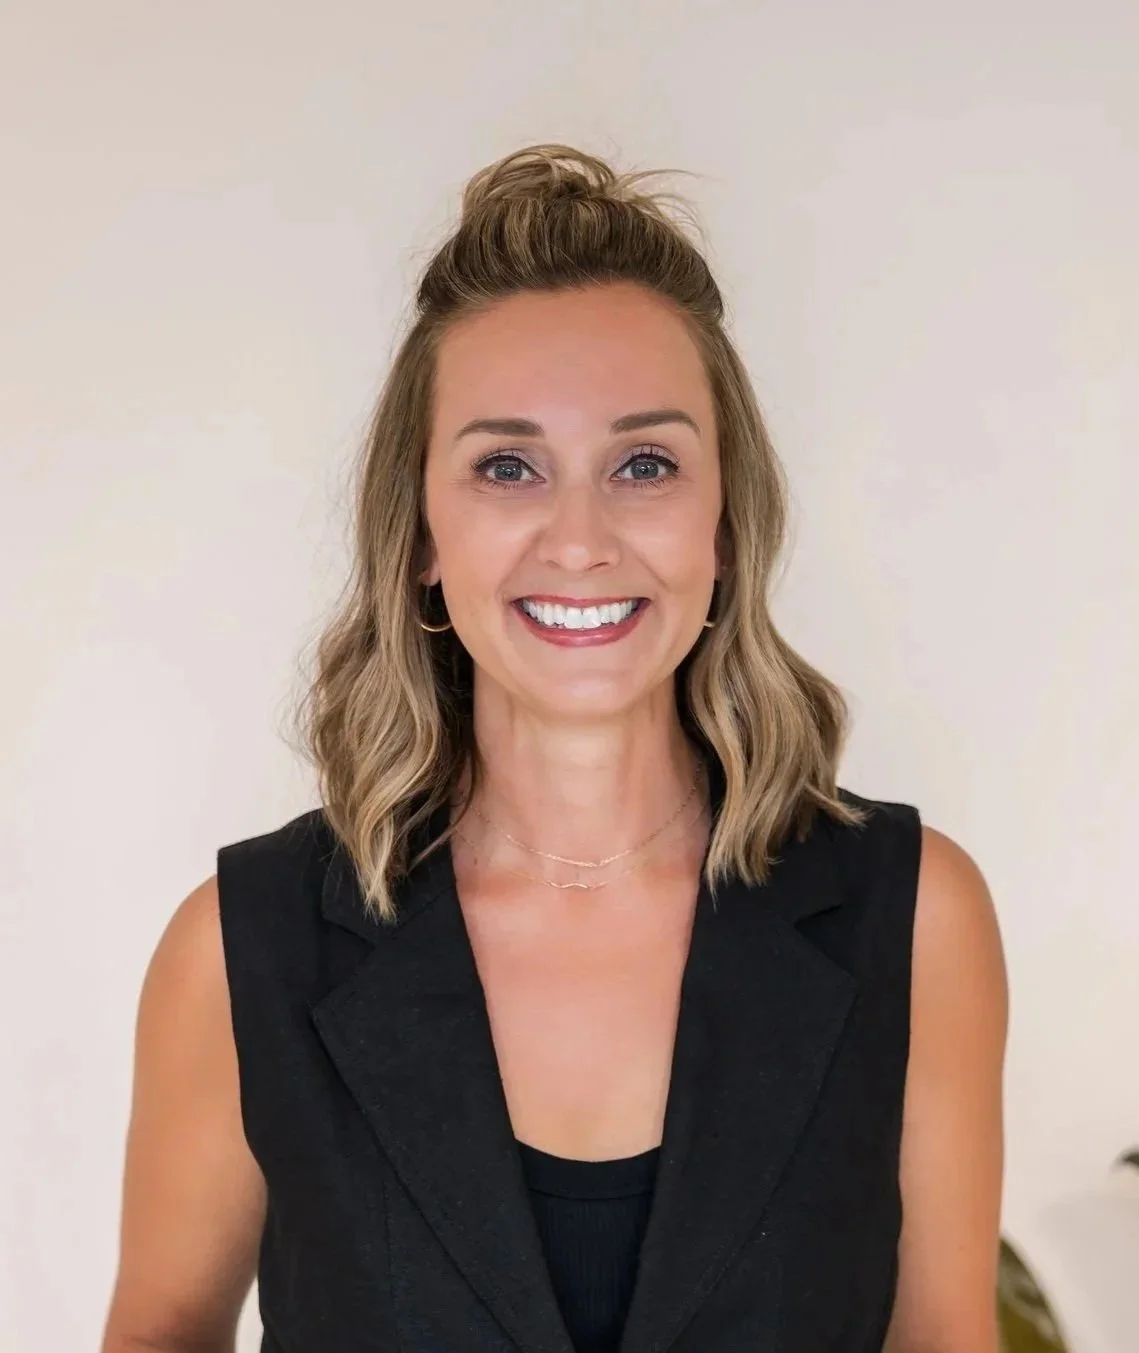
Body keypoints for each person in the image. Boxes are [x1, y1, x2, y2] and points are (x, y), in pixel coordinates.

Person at [100, 144, 1009, 1353]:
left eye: (644, 464)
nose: (578, 540)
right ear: (422, 534)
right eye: (506, 467)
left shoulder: (912, 918)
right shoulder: (240, 949)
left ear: (723, 521)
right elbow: (157, 1331)